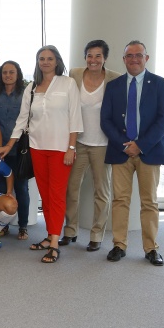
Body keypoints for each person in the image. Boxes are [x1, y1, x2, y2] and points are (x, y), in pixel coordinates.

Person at [0, 45, 82, 264]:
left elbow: (75, 118)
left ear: (57, 61)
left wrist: (71, 148)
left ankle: (54, 243)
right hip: (36, 147)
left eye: (49, 58)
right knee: (46, 195)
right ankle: (51, 235)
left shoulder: (68, 83)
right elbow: (22, 119)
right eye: (41, 58)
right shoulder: (31, 87)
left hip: (61, 149)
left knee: (56, 195)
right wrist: (9, 145)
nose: (45, 62)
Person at [101, 40, 164, 266]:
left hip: (149, 151)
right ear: (123, 59)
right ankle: (119, 245)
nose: (134, 59)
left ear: (146, 58)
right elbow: (106, 120)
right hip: (121, 151)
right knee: (120, 200)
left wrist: (140, 145)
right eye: (129, 55)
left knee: (149, 201)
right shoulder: (113, 86)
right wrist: (125, 144)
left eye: (138, 55)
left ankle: (151, 248)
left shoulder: (160, 84)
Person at [61, 40, 121, 251]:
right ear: (84, 57)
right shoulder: (75, 74)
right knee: (71, 189)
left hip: (103, 144)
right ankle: (70, 231)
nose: (93, 60)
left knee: (101, 192)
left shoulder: (114, 78)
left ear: (105, 58)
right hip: (78, 143)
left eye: (98, 56)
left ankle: (96, 235)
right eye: (90, 55)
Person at [0, 60, 30, 240]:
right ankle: (2, 225)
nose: (7, 75)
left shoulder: (26, 94)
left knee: (21, 188)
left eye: (11, 72)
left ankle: (23, 226)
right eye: (4, 72)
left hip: (19, 150)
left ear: (18, 74)